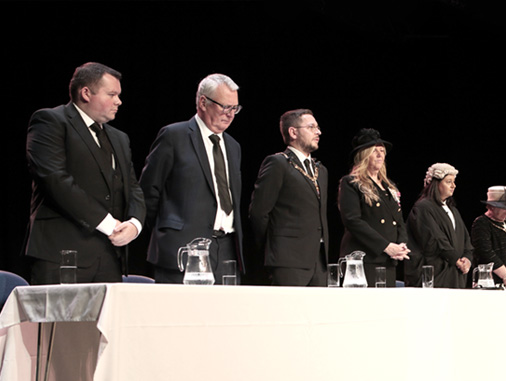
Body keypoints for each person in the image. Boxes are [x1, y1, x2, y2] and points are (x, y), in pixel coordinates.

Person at [24, 62, 146, 284]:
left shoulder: (119, 138)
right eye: (112, 94)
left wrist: (134, 224)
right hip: (62, 254)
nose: (119, 101)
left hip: (109, 257)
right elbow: (55, 180)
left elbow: (132, 186)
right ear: (86, 93)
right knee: (61, 320)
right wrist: (108, 224)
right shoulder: (51, 121)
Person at [139, 74, 245, 284]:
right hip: (182, 249)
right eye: (225, 106)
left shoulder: (233, 146)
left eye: (235, 108)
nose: (230, 114)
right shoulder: (174, 136)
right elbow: (147, 192)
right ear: (203, 102)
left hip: (226, 251)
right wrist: (171, 233)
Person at [248, 109, 328, 286]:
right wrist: (273, 246)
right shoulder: (278, 163)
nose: (318, 132)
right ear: (293, 132)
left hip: (318, 260)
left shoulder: (320, 171)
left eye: (318, 127)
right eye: (311, 127)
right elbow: (259, 213)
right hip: (288, 260)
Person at [338, 129, 410, 287]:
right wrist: (385, 246)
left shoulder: (389, 187)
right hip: (365, 261)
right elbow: (352, 220)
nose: (380, 155)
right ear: (364, 155)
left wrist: (401, 244)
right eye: (374, 151)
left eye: (382, 151)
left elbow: (399, 220)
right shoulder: (351, 183)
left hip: (388, 260)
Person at [405, 163, 472, 288]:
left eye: (454, 181)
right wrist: (457, 260)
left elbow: (466, 240)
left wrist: (467, 259)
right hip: (435, 274)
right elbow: (434, 239)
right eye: (448, 182)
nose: (453, 186)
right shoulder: (423, 207)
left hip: (455, 274)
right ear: (436, 184)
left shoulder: (453, 210)